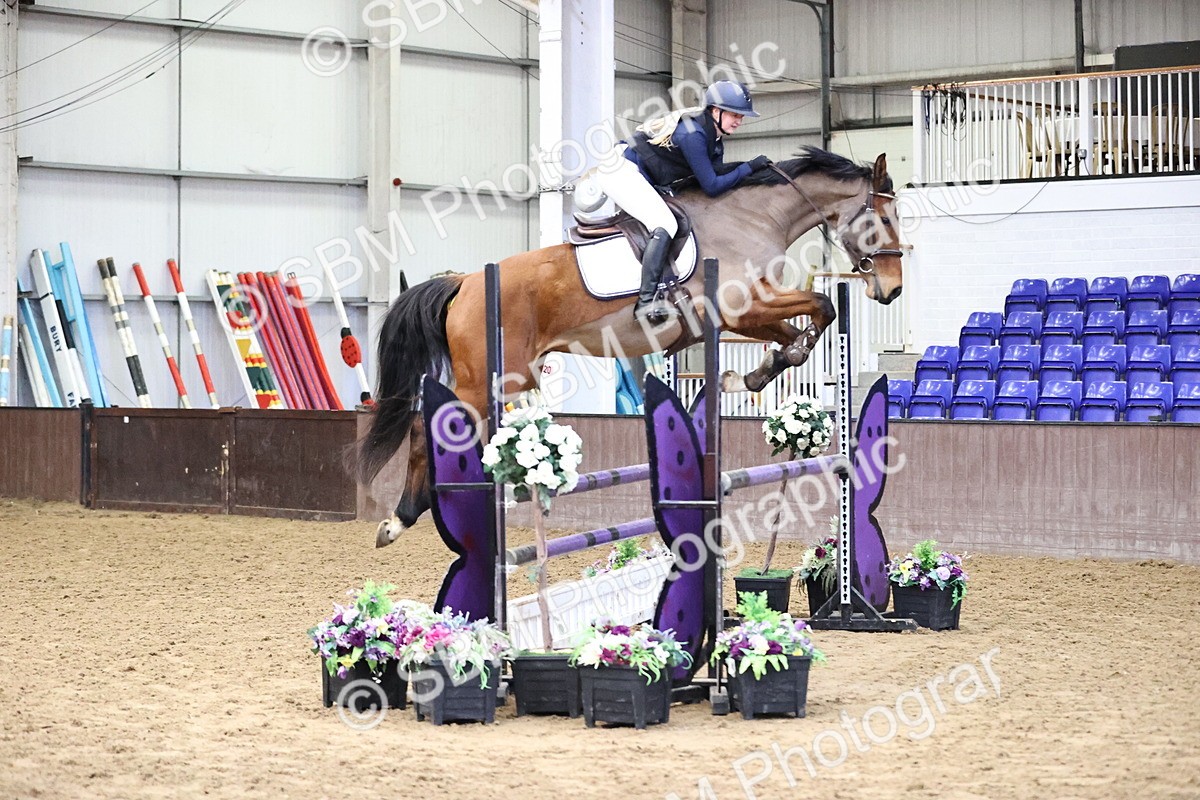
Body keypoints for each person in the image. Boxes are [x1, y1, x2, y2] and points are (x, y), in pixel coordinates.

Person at [595, 80, 773, 324]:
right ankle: (645, 302)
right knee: (665, 223)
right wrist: (748, 168)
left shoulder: (714, 138)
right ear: (715, 111)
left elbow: (716, 175)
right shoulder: (694, 135)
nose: (739, 121)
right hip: (620, 170)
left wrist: (747, 171)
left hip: (644, 175)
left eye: (741, 116)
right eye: (734, 114)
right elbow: (711, 186)